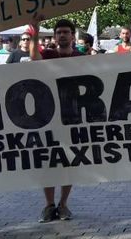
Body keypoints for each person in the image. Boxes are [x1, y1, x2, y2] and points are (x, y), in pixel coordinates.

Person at [29, 18, 83, 223]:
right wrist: (34, 30)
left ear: (72, 35)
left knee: (69, 161)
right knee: (48, 161)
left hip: (73, 117)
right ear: (54, 36)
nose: (62, 35)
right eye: (58, 32)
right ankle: (49, 205)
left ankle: (63, 204)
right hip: (49, 116)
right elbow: (33, 57)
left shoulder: (81, 57)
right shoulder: (49, 54)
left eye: (66, 32)